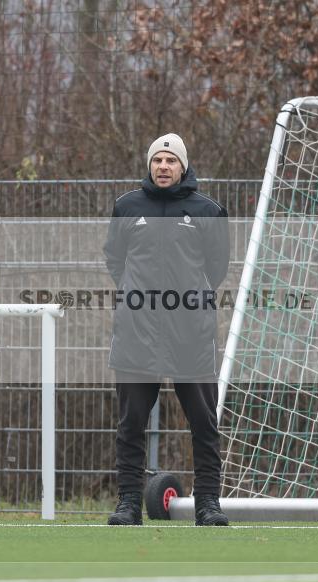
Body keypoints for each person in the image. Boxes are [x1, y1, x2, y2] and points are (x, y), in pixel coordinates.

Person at [103, 133, 230, 526]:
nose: (163, 166)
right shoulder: (127, 206)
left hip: (190, 335)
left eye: (170, 161)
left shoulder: (207, 210)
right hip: (137, 334)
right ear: (149, 164)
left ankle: (208, 504)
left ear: (183, 166)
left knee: (204, 424)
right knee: (131, 425)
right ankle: (128, 504)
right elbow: (114, 259)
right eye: (157, 160)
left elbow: (217, 268)